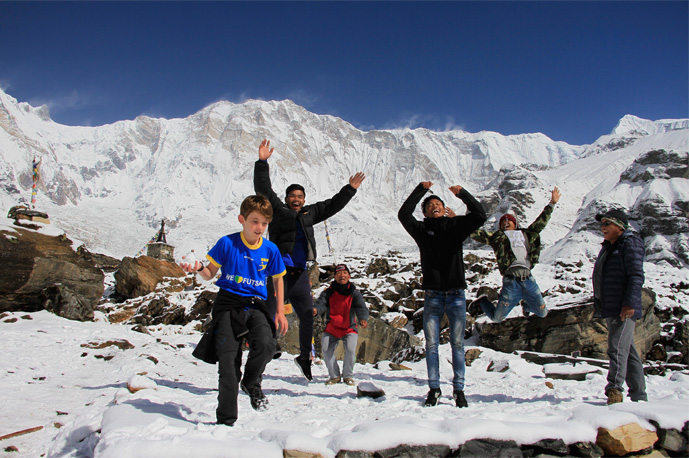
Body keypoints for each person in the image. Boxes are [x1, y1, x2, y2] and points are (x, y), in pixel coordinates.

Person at [254, 138, 365, 381]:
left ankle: (304, 357)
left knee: (307, 315)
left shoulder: (309, 213)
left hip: (300, 275)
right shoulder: (277, 211)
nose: (296, 199)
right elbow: (263, 190)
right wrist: (262, 163)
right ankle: (262, 357)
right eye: (292, 196)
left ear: (304, 200)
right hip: (277, 274)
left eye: (300, 196)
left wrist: (350, 189)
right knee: (269, 314)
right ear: (286, 199)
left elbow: (332, 205)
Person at [180, 195, 288, 426]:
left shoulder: (270, 249)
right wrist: (199, 267)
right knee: (228, 364)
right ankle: (226, 421)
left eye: (264, 223)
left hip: (256, 304)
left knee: (268, 344)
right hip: (228, 304)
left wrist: (279, 311)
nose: (259, 228)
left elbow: (278, 279)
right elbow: (210, 274)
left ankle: (251, 382)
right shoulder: (226, 243)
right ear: (242, 219)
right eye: (254, 221)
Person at [398, 182, 487, 408]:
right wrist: (419, 190)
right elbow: (403, 214)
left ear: (444, 208)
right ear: (425, 212)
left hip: (456, 294)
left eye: (438, 203)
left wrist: (463, 194)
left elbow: (480, 214)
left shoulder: (456, 226)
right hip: (433, 296)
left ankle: (459, 390)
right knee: (431, 345)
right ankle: (434, 389)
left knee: (457, 344)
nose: (434, 206)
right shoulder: (421, 231)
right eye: (430, 205)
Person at [468, 187, 561, 321]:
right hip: (511, 282)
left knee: (543, 313)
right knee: (497, 318)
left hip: (528, 279)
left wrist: (552, 204)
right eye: (503, 222)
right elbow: (476, 234)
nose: (505, 223)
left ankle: (527, 305)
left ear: (515, 224)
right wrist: (459, 221)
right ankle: (482, 302)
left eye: (509, 221)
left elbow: (541, 222)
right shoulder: (497, 237)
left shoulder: (527, 234)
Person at [592, 209, 647, 405]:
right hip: (612, 306)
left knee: (616, 348)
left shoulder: (629, 244)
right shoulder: (611, 246)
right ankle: (639, 396)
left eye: (607, 224)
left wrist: (630, 303)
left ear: (619, 226)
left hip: (623, 308)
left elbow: (636, 276)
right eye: (602, 224)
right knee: (628, 351)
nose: (603, 228)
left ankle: (614, 389)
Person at [312, 263, 369, 386]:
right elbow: (321, 304)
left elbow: (361, 307)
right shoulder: (328, 292)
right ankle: (334, 376)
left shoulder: (354, 292)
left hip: (349, 328)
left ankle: (348, 375)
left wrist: (363, 319)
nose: (341, 276)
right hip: (332, 328)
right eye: (338, 273)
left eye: (344, 273)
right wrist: (316, 310)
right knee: (326, 350)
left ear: (349, 276)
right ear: (334, 277)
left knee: (350, 350)